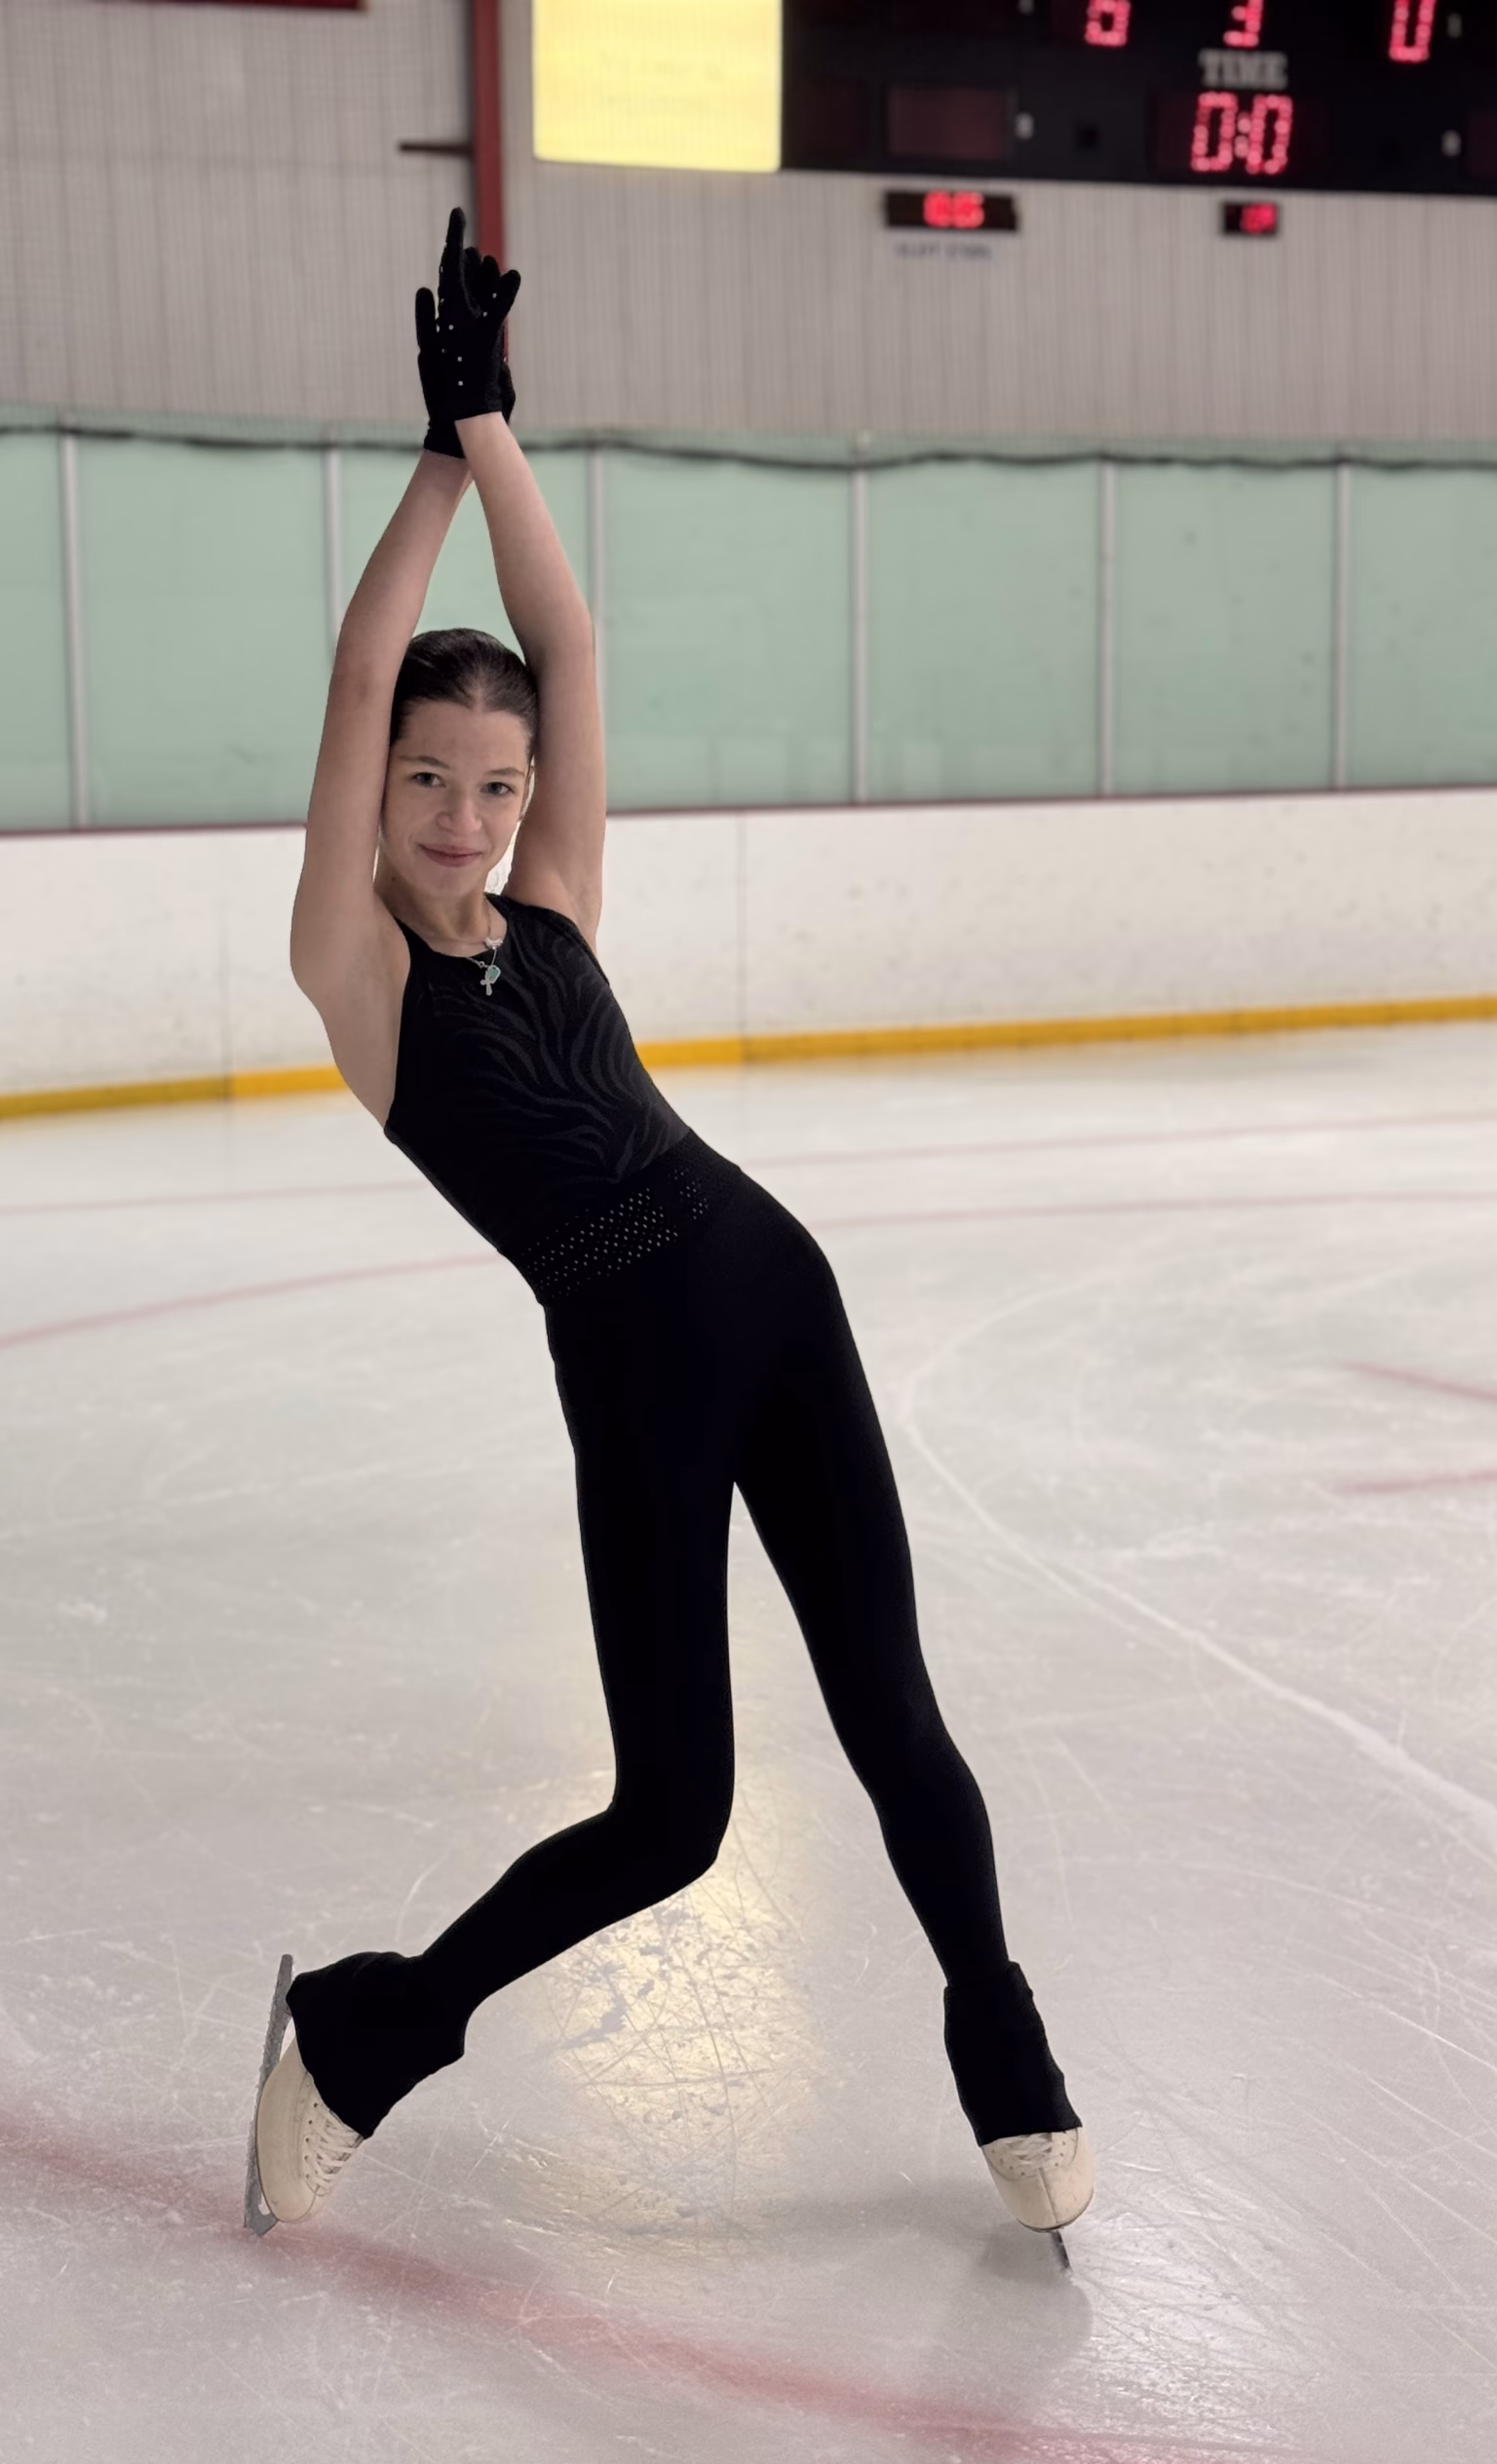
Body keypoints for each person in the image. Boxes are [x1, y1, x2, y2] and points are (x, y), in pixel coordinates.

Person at [246, 212, 1093, 2241]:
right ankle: (366, 2034)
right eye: (428, 782)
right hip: (631, 1360)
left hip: (773, 1285)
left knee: (895, 1713)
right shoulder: (355, 974)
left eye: (496, 784)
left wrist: (493, 422)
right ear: (378, 792)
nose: (464, 816)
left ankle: (1005, 2049)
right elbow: (360, 675)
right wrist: (432, 467)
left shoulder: (555, 905)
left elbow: (576, 648)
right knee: (673, 1815)